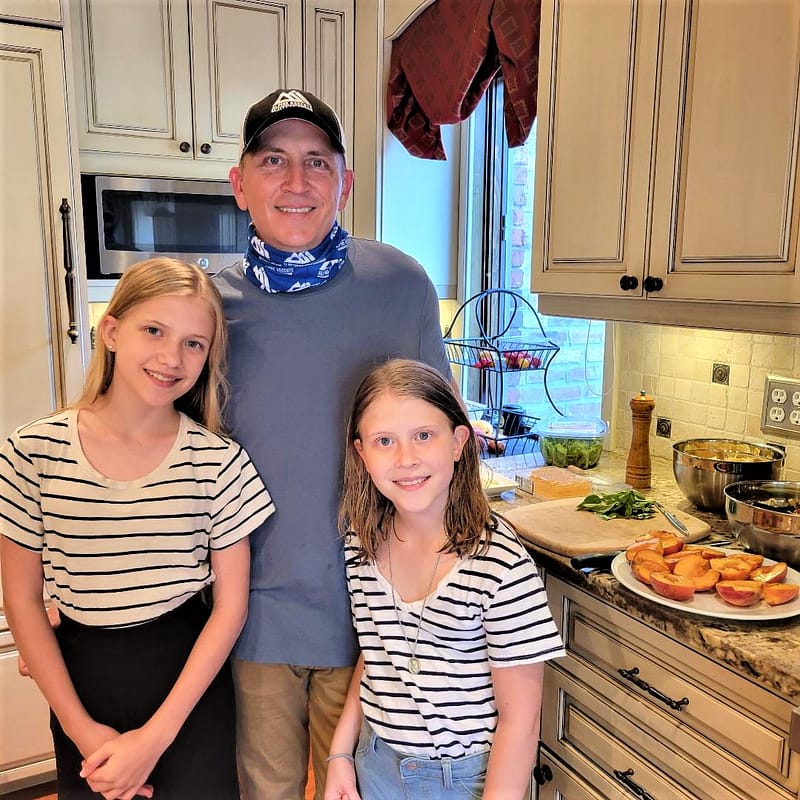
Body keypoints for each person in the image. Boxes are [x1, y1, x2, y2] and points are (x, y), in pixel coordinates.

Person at [212, 88, 453, 800]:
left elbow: (440, 449)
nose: (296, 182)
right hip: (251, 614)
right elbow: (159, 450)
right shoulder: (205, 305)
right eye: (274, 161)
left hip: (378, 617)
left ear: (345, 183)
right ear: (240, 183)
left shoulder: (401, 285)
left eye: (317, 162)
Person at [0, 258, 274, 800]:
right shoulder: (32, 452)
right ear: (111, 331)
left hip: (189, 693)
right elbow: (23, 601)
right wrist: (82, 731)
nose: (171, 357)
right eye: (154, 330)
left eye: (195, 343)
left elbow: (229, 608)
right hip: (81, 688)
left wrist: (155, 738)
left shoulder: (218, 462)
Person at [324, 358, 565, 800]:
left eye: (423, 435)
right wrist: (340, 753)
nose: (406, 459)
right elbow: (377, 656)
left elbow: (521, 720)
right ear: (362, 453)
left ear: (458, 442)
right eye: (384, 441)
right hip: (374, 762)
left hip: (464, 780)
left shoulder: (499, 562)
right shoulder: (360, 542)